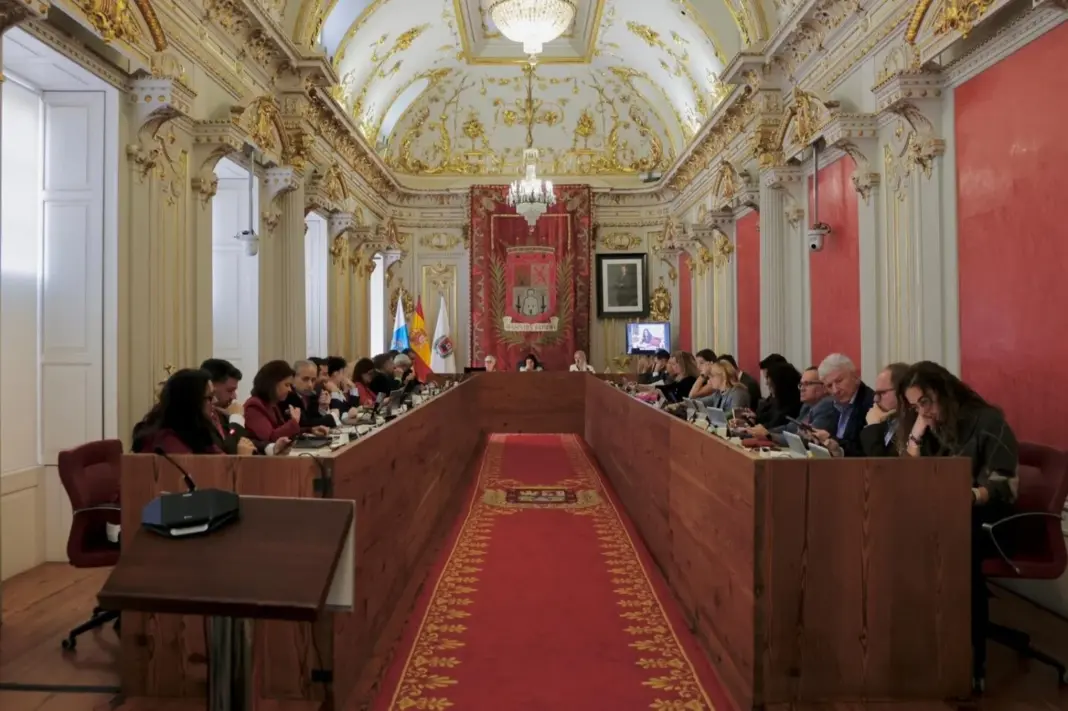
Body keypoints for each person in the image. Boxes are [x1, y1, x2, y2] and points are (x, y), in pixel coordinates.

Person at [895, 360, 1019, 686]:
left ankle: (971, 661)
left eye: (925, 402)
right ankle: (916, 638)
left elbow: (1005, 486)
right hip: (949, 515)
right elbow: (910, 477)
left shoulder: (988, 420)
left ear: (945, 391)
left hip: (993, 521)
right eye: (914, 406)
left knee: (954, 548)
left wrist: (967, 495)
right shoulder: (934, 427)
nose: (923, 411)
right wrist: (917, 436)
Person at [132, 369, 255, 455]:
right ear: (192, 401)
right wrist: (242, 458)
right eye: (210, 397)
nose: (214, 403)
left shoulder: (197, 430)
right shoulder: (168, 439)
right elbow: (210, 477)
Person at [243, 360, 304, 443]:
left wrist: (310, 429)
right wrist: (294, 422)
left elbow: (280, 429)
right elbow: (270, 438)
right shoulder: (254, 406)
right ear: (272, 384)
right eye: (286, 385)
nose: (290, 389)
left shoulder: (271, 404)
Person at [859, 362, 910, 456]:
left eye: (882, 393)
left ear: (903, 391)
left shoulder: (913, 425)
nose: (875, 399)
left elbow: (882, 465)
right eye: (876, 393)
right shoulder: (885, 421)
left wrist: (872, 426)